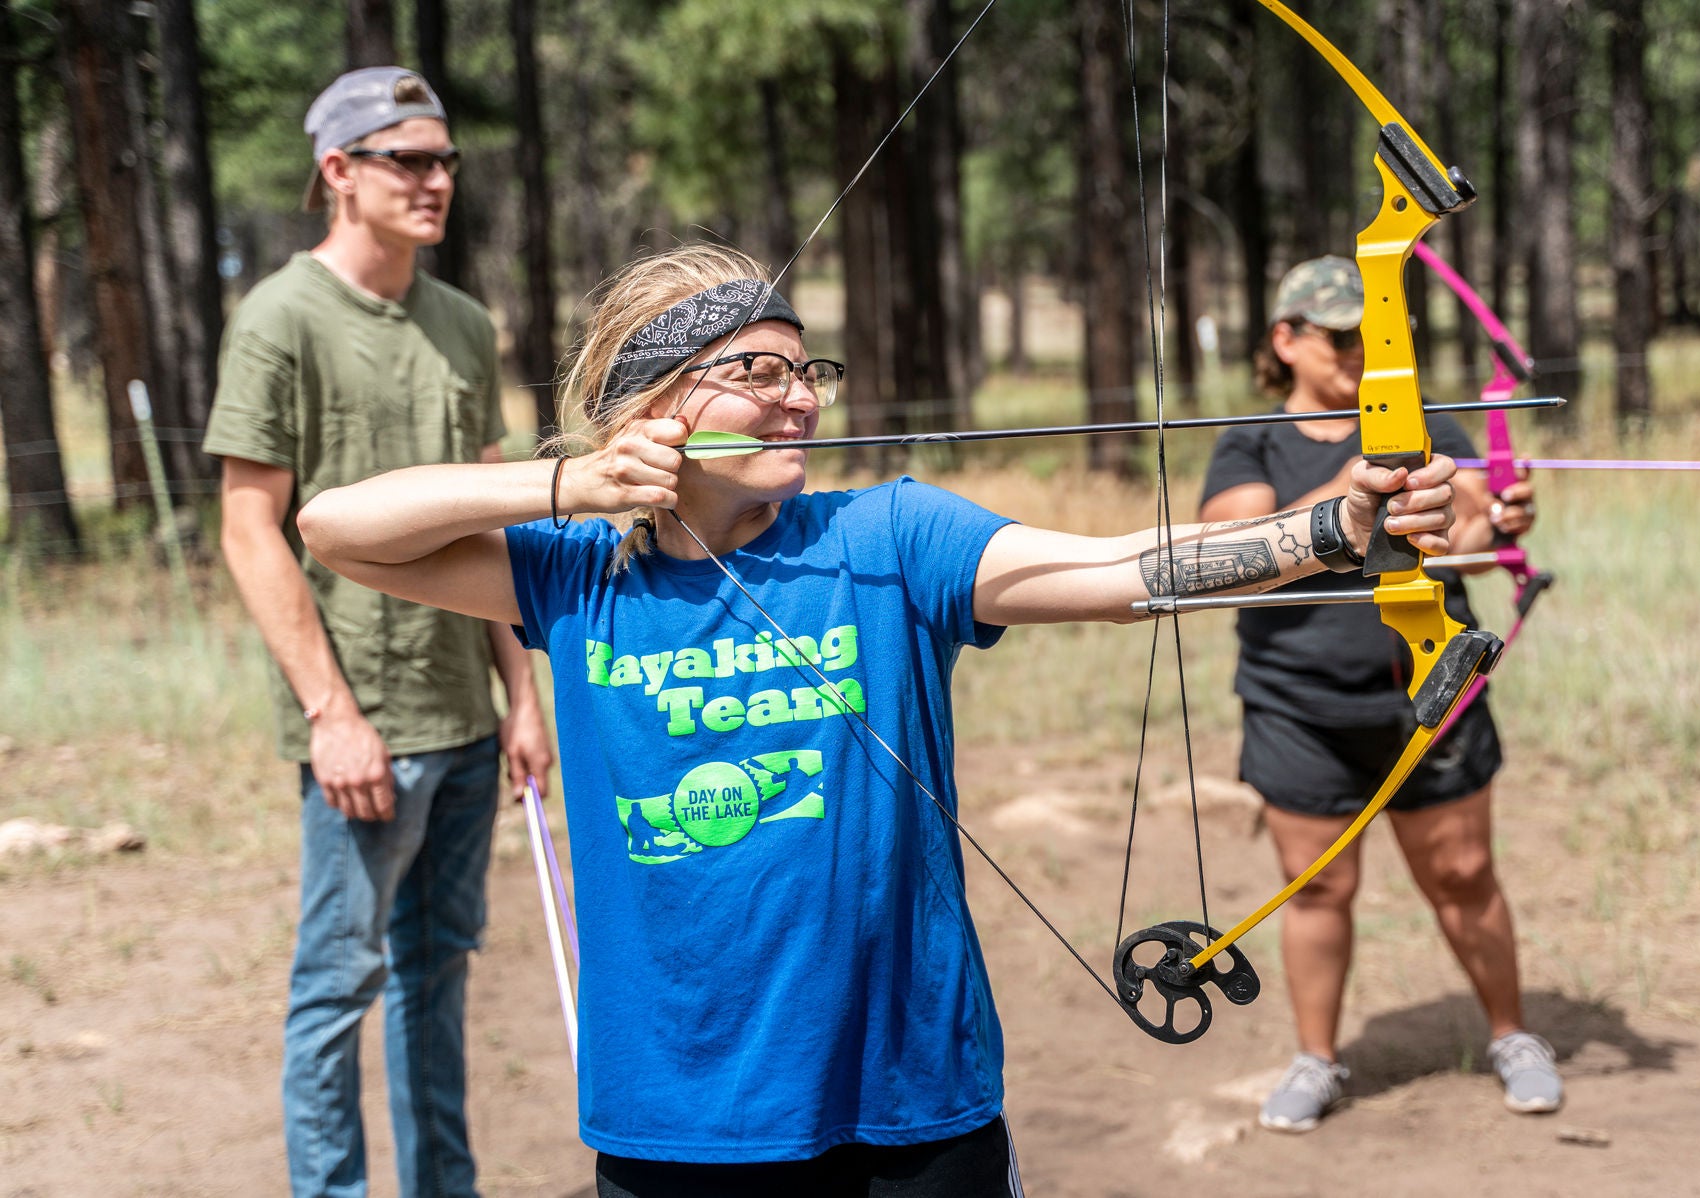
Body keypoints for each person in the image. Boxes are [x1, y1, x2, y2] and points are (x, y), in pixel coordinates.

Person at [292, 243, 1462, 1194]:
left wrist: (1333, 527)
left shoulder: (889, 535)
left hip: (907, 1095)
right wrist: (575, 484)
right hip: (678, 1105)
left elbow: (1124, 572)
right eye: (757, 371)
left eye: (807, 371)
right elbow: (336, 528)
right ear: (656, 402)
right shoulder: (574, 569)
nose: (799, 397)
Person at [204, 67, 554, 1198]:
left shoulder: (464, 323)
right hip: (362, 732)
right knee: (335, 986)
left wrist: (524, 697)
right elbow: (250, 530)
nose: (436, 179)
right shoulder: (278, 318)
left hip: (466, 720)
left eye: (445, 159)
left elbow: (498, 525)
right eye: (408, 158)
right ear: (338, 172)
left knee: (435, 981)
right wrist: (331, 714)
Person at [1197, 256, 1558, 1134]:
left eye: (1375, 333)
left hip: (1429, 688)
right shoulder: (1251, 442)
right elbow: (1224, 546)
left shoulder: (1425, 424)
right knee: (1316, 887)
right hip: (1298, 704)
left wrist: (1499, 519)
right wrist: (1358, 484)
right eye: (1339, 335)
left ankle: (1512, 1036)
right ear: (1286, 339)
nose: (1360, 349)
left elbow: (1468, 526)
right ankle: (1315, 1058)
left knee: (1464, 874)